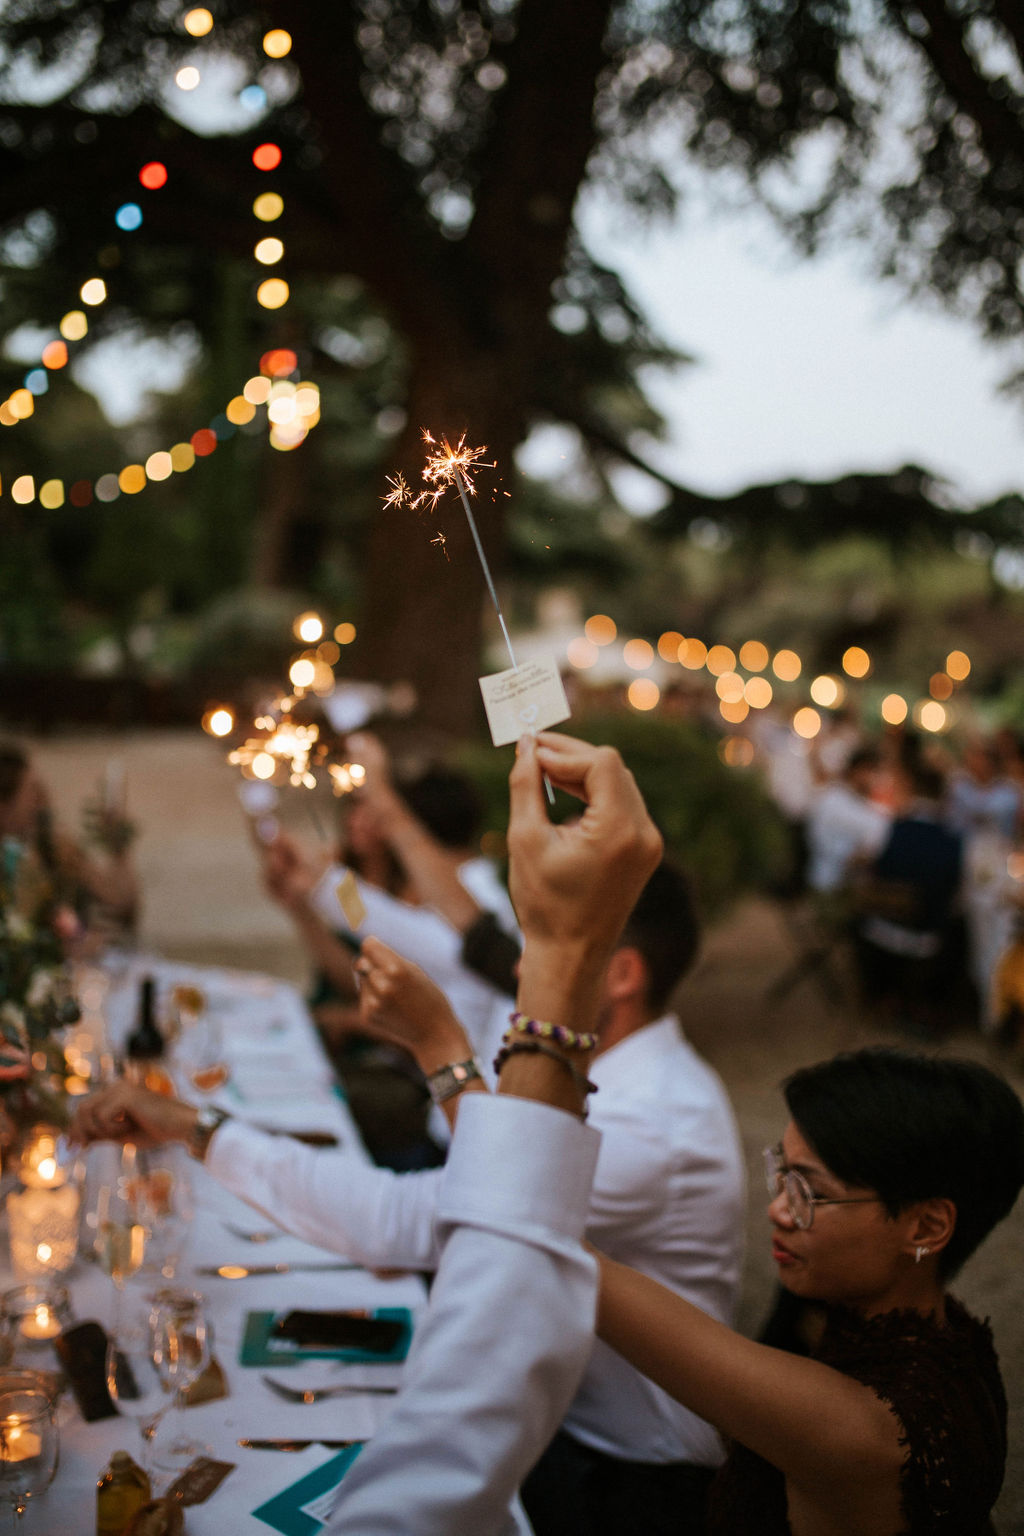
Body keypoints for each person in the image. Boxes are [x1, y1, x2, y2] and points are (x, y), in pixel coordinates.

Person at [73, 852, 746, 1533]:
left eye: (542, 952)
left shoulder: (657, 1128)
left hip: (622, 1471)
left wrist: (438, 1048)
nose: (516, 968)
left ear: (624, 974)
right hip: (554, 1415)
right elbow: (417, 1205)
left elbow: (414, 1216)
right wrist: (196, 1126)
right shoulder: (595, 1069)